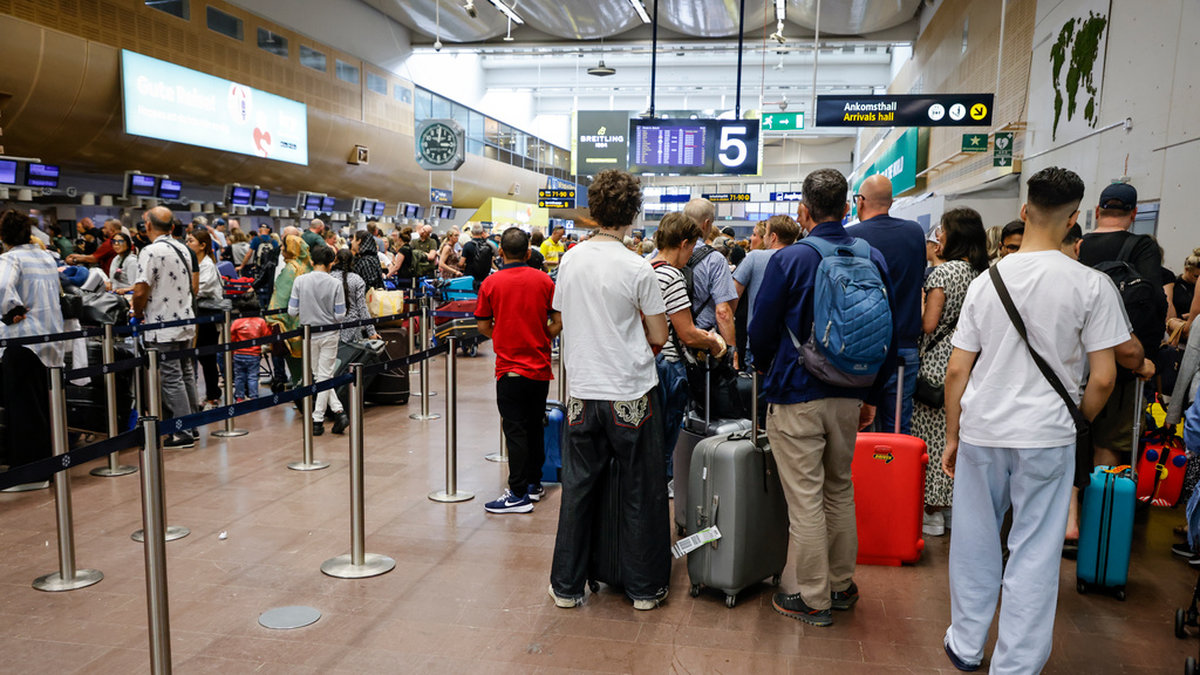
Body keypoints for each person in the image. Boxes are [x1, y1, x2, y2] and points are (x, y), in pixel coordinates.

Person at [940, 167, 1128, 673]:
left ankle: (966, 643)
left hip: (983, 430)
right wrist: (1075, 419)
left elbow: (958, 369)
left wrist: (953, 434)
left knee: (975, 540)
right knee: (1035, 550)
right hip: (1048, 435)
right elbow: (1104, 378)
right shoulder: (1092, 285)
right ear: (1074, 219)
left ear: (1024, 211)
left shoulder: (986, 282)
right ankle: (1016, 663)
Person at [749, 168, 898, 628]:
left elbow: (760, 330)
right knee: (839, 488)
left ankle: (813, 598)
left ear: (804, 211)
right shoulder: (872, 257)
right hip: (852, 392)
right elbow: (888, 332)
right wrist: (872, 394)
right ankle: (841, 584)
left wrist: (764, 369)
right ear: (848, 207)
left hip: (797, 392)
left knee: (806, 498)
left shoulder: (791, 259)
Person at [548, 169, 671, 611]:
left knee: (578, 489)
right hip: (630, 392)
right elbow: (659, 335)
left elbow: (561, 317)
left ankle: (566, 586)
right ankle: (644, 588)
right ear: (633, 213)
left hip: (582, 390)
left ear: (593, 210)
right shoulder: (637, 266)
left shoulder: (570, 260)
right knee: (641, 489)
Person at [910, 208, 989, 537]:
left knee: (931, 435)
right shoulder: (983, 273)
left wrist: (918, 303)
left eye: (942, 230)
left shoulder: (943, 274)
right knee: (957, 433)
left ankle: (931, 511)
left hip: (937, 362)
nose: (938, 235)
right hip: (971, 358)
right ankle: (954, 507)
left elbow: (929, 324)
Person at [475, 227, 561, 514]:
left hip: (509, 370)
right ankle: (534, 484)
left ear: (500, 252)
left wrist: (504, 337)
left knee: (515, 430)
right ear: (528, 252)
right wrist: (541, 337)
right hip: (539, 369)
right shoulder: (545, 280)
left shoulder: (491, 283)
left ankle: (517, 493)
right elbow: (558, 321)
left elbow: (483, 325)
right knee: (535, 425)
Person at [649, 213, 725, 491]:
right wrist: (714, 342)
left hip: (646, 364)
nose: (692, 254)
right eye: (692, 247)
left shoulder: (645, 267)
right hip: (668, 366)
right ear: (683, 244)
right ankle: (659, 495)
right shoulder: (672, 276)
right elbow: (687, 333)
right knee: (663, 444)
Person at [846, 175, 926, 434]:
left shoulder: (851, 237)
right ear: (891, 202)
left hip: (861, 349)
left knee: (859, 429)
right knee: (897, 430)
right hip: (904, 347)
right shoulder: (915, 233)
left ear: (860, 201)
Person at [0, 210, 65, 476]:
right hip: (50, 339)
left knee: (23, 409)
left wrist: (9, 312)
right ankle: (46, 464)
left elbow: (2, 287)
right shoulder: (46, 257)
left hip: (23, 342)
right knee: (42, 406)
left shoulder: (10, 258)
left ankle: (29, 472)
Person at [132, 206, 201, 449]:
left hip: (162, 325)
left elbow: (141, 289)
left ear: (148, 226)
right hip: (184, 320)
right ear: (172, 227)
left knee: (171, 377)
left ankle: (182, 432)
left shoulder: (150, 251)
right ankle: (193, 425)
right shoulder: (182, 248)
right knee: (185, 373)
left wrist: (136, 312)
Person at [289, 244, 349, 436]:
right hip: (330, 334)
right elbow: (340, 315)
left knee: (319, 375)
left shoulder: (300, 280)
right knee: (324, 376)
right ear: (331, 263)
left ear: (312, 261)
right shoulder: (335, 284)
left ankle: (323, 417)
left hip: (309, 334)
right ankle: (330, 415)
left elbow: (292, 311)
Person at [684, 198, 740, 369]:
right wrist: (731, 354)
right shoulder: (714, 260)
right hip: (703, 343)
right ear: (706, 224)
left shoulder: (662, 253)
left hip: (670, 343)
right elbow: (723, 312)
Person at [735, 215, 800, 362]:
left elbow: (733, 296)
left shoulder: (755, 257)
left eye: (765, 234)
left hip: (758, 340)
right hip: (793, 343)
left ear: (773, 237)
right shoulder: (800, 259)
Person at [186, 228, 227, 409]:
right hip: (196, 313)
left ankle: (213, 396)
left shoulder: (208, 265)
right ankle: (207, 393)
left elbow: (199, 290)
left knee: (207, 357)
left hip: (207, 316)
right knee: (200, 357)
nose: (187, 244)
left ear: (202, 245)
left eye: (191, 241)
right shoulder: (193, 263)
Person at [266, 235, 312, 388]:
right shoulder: (308, 266)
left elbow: (281, 295)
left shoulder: (290, 269)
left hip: (291, 322)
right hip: (310, 321)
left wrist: (273, 318)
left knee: (295, 362)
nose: (281, 249)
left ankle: (300, 392)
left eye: (284, 246)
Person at [330, 249, 380, 344]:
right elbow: (362, 308)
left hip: (331, 328)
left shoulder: (329, 278)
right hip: (353, 328)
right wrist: (371, 332)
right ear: (352, 262)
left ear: (336, 260)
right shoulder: (357, 280)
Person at [230, 314, 271, 401]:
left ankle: (239, 398)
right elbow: (267, 335)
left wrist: (232, 353)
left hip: (239, 354)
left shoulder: (237, 322)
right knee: (252, 377)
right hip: (254, 354)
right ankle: (253, 398)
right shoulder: (260, 321)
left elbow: (232, 338)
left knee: (239, 377)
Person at [462, 223, 498, 291]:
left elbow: (461, 263)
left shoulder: (467, 245)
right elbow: (492, 260)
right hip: (484, 277)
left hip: (470, 277)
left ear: (472, 232)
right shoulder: (488, 245)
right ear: (482, 232)